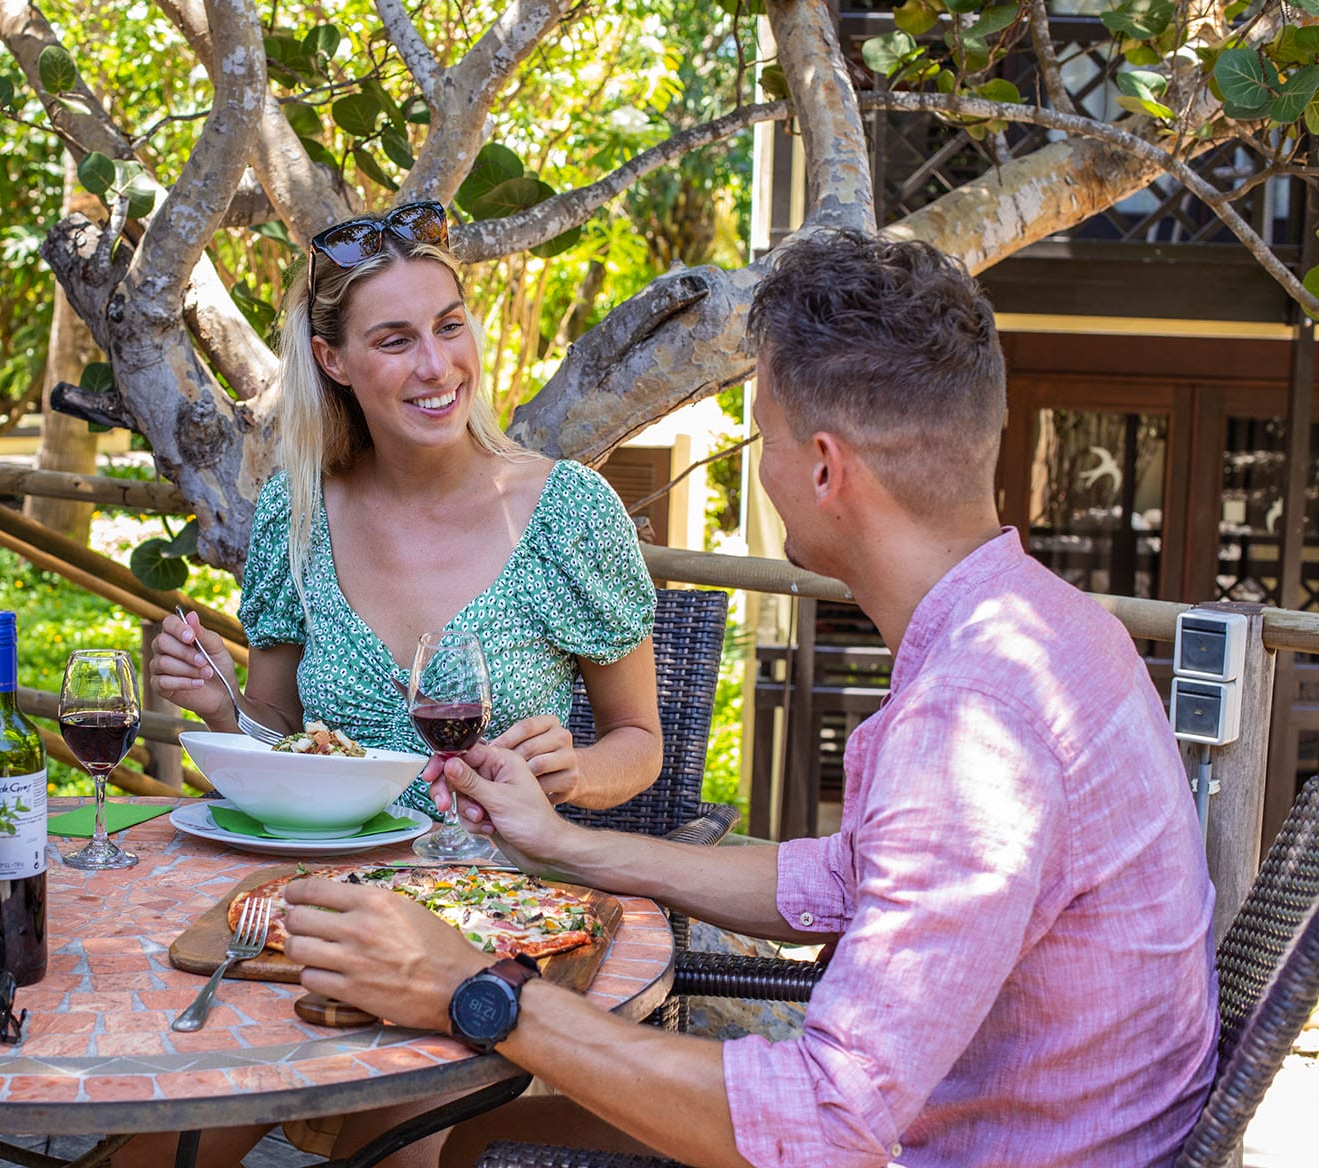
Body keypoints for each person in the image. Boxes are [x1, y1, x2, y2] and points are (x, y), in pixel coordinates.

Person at [281, 229, 1219, 1168]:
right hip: (1039, 1130)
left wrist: (471, 990)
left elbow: (823, 1120)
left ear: (821, 468)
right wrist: (566, 844)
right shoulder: (1050, 629)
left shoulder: (975, 721)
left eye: (761, 434)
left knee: (423, 1142)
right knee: (440, 1140)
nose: (760, 471)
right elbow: (847, 879)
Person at [149, 199, 664, 818]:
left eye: (449, 327)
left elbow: (638, 740)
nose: (436, 365)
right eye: (395, 341)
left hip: (496, 899)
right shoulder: (299, 510)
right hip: (328, 891)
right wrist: (221, 705)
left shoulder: (567, 511)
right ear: (331, 359)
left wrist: (574, 772)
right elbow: (280, 732)